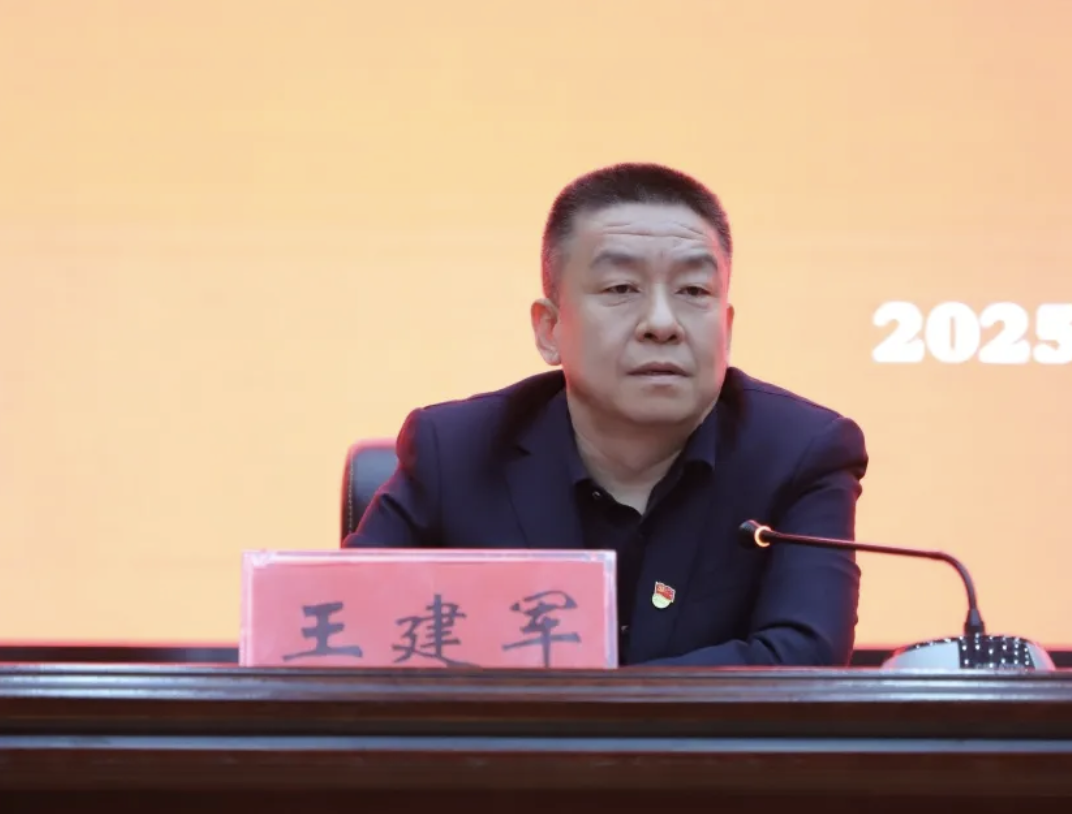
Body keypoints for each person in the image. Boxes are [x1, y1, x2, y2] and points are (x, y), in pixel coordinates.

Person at [344, 162, 869, 667]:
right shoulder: (454, 451)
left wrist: (574, 699)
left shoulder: (801, 453)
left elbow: (802, 660)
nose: (662, 323)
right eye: (621, 289)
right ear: (549, 330)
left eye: (694, 291)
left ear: (726, 328)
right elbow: (344, 635)